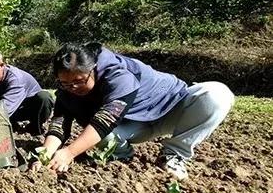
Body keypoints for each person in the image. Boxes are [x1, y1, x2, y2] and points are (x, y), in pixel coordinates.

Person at [33, 42, 234, 179]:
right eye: (65, 83)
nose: (73, 88)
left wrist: (69, 153)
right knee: (103, 138)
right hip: (133, 124)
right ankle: (121, 156)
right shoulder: (67, 91)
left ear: (93, 69)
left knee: (216, 94)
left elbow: (106, 118)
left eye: (79, 81)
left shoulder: (118, 74)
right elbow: (59, 124)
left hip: (171, 107)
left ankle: (174, 154)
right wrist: (46, 154)